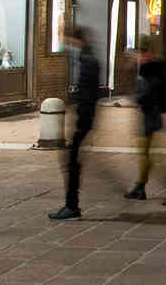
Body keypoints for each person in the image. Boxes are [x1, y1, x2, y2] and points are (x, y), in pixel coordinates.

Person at [124, 38, 166, 204]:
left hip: (150, 118)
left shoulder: (147, 70)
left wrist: (134, 98)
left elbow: (146, 94)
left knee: (153, 157)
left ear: (142, 53)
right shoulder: (153, 68)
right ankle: (140, 187)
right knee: (148, 155)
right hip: (152, 116)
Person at [50, 26, 100, 220]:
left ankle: (72, 206)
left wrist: (79, 107)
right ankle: (72, 204)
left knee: (71, 161)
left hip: (84, 118)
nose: (68, 44)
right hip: (85, 118)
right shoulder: (88, 58)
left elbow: (88, 94)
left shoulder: (87, 61)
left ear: (75, 40)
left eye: (69, 40)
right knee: (72, 160)